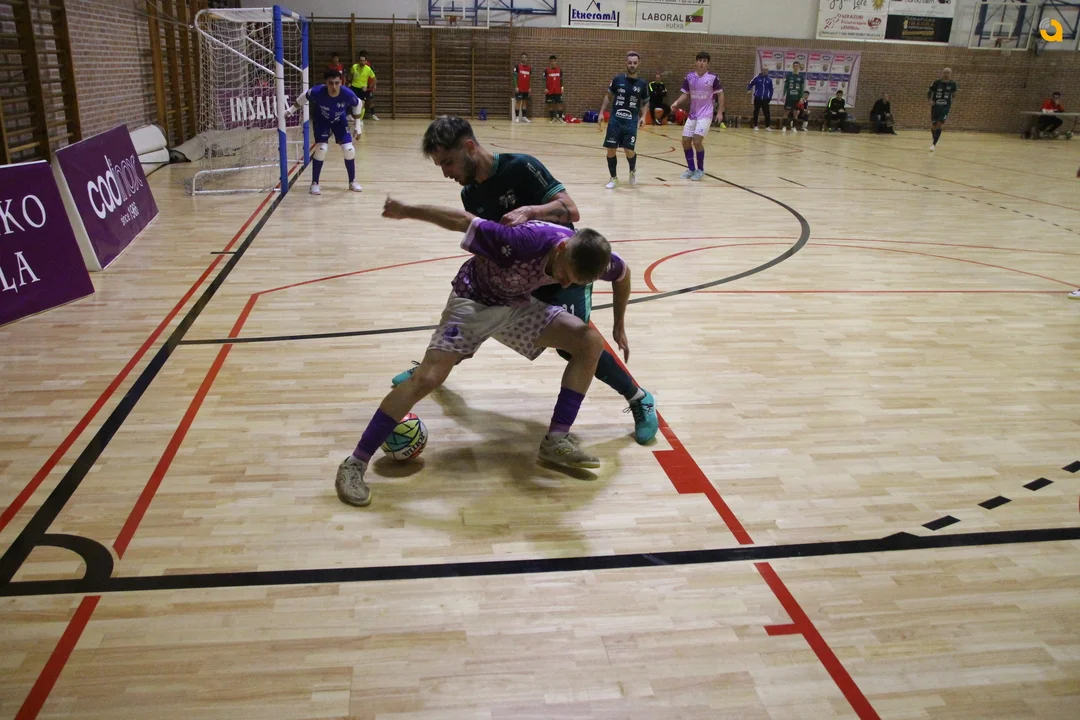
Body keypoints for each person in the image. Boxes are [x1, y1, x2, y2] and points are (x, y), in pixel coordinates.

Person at [334, 201, 630, 506]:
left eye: (574, 282)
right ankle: (354, 464)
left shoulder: (589, 254)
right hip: (474, 300)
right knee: (427, 378)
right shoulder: (520, 241)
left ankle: (556, 440)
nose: (565, 283)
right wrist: (407, 210)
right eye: (565, 274)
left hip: (516, 305)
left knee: (589, 342)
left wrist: (619, 324)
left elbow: (623, 274)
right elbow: (462, 220)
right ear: (562, 247)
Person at [391, 117, 658, 445]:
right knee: (482, 310)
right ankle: (432, 370)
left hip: (564, 271)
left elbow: (571, 210)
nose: (445, 172)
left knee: (576, 346)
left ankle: (639, 397)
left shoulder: (520, 167)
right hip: (523, 275)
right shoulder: (470, 193)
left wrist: (531, 211)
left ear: (470, 148)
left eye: (448, 162)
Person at [285, 69, 362, 195]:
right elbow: (303, 97)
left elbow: (358, 104)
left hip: (339, 121)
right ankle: (314, 183)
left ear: (341, 82)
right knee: (321, 149)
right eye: (331, 83)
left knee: (349, 149)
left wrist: (358, 126)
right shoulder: (317, 91)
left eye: (337, 83)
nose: (334, 86)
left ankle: (352, 181)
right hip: (322, 120)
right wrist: (291, 110)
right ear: (326, 83)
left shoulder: (347, 93)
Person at [668, 51, 723, 181]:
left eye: (704, 61)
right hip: (693, 115)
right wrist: (676, 103)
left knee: (697, 141)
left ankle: (700, 170)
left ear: (708, 63)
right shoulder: (690, 77)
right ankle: (691, 169)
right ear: (696, 62)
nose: (701, 63)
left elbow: (720, 94)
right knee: (685, 141)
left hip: (706, 114)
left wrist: (720, 111)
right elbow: (685, 94)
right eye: (699, 60)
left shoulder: (713, 78)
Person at [598, 51, 649, 189]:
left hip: (631, 122)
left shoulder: (642, 84)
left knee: (628, 150)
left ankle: (632, 170)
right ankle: (614, 178)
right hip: (615, 120)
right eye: (630, 62)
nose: (632, 65)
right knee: (611, 150)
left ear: (638, 64)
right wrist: (601, 112)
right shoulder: (617, 80)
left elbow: (645, 102)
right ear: (626, 63)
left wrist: (644, 116)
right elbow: (608, 96)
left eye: (635, 63)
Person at [927, 67, 957, 152]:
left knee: (939, 123)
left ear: (950, 74)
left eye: (948, 73)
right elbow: (929, 91)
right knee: (934, 124)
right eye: (945, 73)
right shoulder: (936, 82)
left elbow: (954, 94)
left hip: (945, 106)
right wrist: (930, 100)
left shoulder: (953, 84)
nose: (946, 74)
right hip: (936, 106)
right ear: (942, 73)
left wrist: (952, 101)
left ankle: (934, 144)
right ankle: (935, 138)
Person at [781, 61, 806, 132]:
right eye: (794, 66)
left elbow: (802, 88)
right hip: (789, 97)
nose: (796, 67)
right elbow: (785, 87)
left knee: (796, 113)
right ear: (792, 67)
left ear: (799, 67)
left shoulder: (801, 77)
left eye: (797, 66)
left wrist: (801, 97)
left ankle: (794, 127)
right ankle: (784, 127)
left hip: (797, 98)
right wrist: (783, 95)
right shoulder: (789, 76)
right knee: (786, 112)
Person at [747, 67, 774, 131]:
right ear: (761, 70)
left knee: (767, 113)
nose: (765, 71)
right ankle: (755, 125)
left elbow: (771, 90)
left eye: (766, 70)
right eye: (764, 70)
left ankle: (767, 126)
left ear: (768, 71)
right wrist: (749, 89)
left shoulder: (769, 80)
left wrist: (770, 97)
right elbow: (750, 83)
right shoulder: (757, 78)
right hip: (757, 98)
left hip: (765, 99)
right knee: (756, 112)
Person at [545, 55, 565, 123]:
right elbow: (544, 80)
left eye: (554, 61)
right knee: (551, 105)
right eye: (551, 61)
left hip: (558, 91)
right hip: (549, 91)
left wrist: (562, 88)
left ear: (556, 62)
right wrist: (545, 88)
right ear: (549, 62)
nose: (553, 62)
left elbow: (561, 80)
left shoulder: (559, 70)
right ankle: (552, 118)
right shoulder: (546, 70)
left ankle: (560, 118)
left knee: (559, 104)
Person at [513, 52, 532, 123]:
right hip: (519, 88)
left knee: (524, 103)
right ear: (521, 58)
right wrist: (516, 86)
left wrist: (530, 88)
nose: (524, 58)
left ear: (527, 59)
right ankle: (517, 117)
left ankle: (524, 117)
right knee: (518, 102)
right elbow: (514, 77)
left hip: (526, 89)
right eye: (523, 57)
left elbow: (530, 78)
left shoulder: (529, 68)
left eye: (525, 57)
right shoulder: (517, 67)